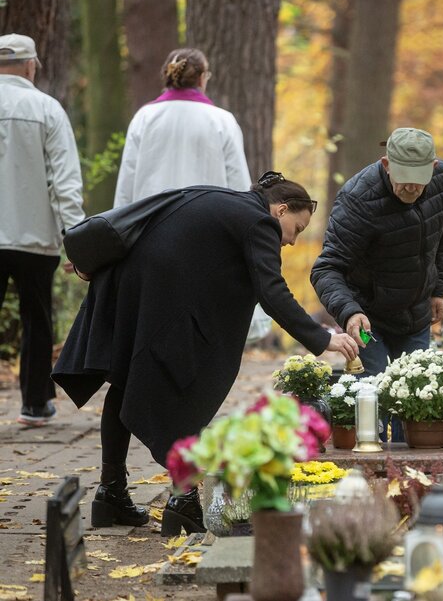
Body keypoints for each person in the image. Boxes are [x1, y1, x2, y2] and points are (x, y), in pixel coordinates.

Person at [52, 173, 359, 535]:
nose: (292, 241)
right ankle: (181, 499)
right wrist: (322, 339)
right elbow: (271, 291)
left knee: (125, 382)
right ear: (280, 210)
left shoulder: (216, 196)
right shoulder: (259, 222)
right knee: (184, 388)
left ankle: (111, 493)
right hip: (155, 296)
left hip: (130, 288)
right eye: (296, 227)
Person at [311, 127, 443, 441]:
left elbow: (441, 239)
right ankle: (372, 479)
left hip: (416, 313)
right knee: (373, 400)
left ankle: (411, 484)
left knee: (415, 406)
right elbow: (326, 269)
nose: (410, 187)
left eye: (418, 180)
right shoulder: (358, 199)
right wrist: (350, 313)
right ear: (385, 164)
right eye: (402, 177)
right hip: (368, 317)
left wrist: (438, 290)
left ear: (433, 169)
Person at [0, 33, 86, 427]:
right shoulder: (46, 108)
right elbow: (65, 181)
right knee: (37, 318)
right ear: (31, 65)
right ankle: (35, 405)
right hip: (35, 237)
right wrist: (78, 242)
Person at [113, 47, 251, 207]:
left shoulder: (144, 118)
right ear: (201, 79)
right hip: (207, 222)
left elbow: (126, 183)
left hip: (152, 224)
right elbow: (238, 182)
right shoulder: (222, 121)